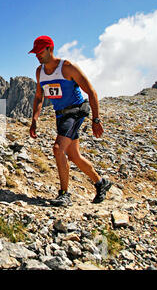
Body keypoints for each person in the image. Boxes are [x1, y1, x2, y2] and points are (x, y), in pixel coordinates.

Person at [28, 35, 113, 206]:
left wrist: (96, 120)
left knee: (58, 149)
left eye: (39, 52)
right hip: (60, 114)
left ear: (50, 49)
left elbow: (91, 92)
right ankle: (101, 182)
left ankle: (64, 194)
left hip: (75, 112)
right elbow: (39, 96)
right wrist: (35, 119)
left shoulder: (68, 67)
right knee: (73, 155)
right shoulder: (40, 72)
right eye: (35, 53)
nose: (37, 55)